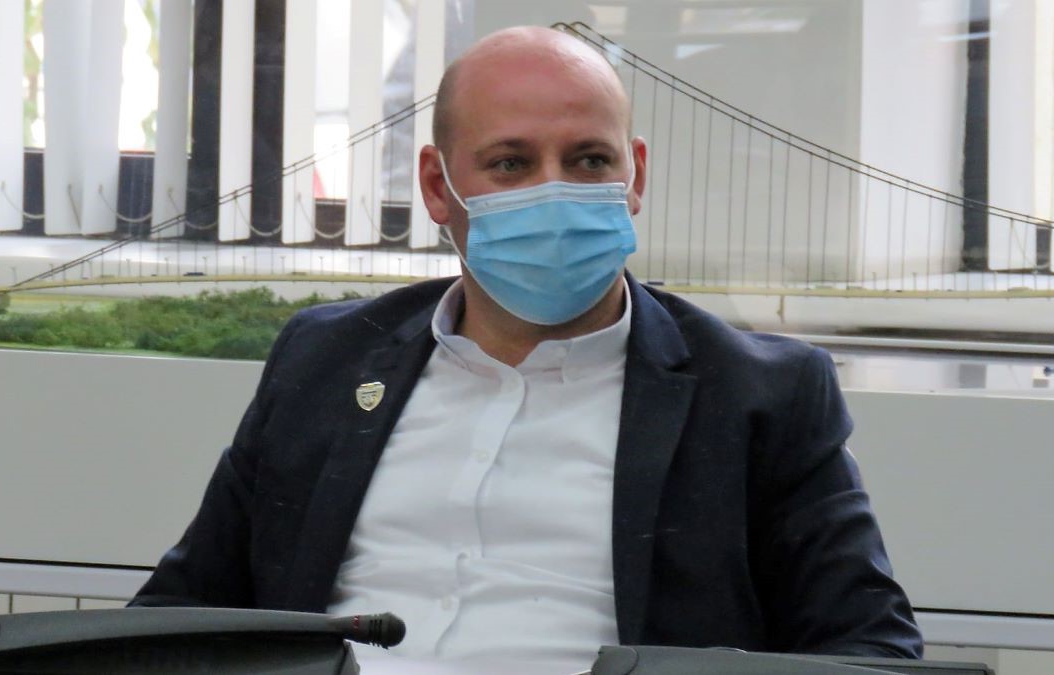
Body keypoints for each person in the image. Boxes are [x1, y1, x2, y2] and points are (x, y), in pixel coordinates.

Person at [132, 25, 923, 671]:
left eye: (589, 160)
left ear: (634, 175)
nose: (554, 190)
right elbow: (173, 619)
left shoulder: (759, 395)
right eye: (511, 164)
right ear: (437, 187)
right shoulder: (327, 359)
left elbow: (872, 652)